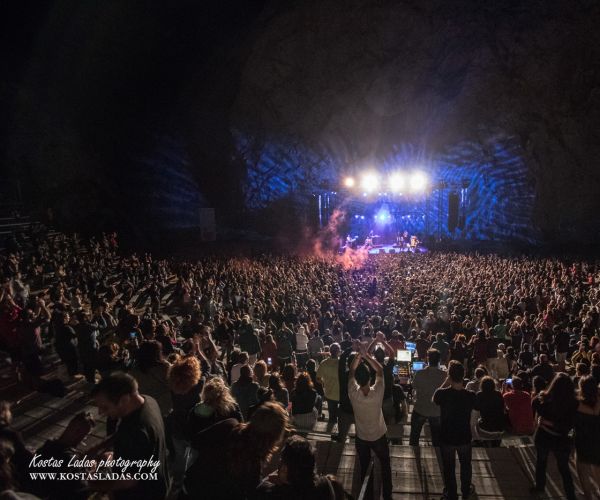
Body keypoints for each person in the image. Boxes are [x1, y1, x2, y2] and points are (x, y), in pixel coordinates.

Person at [183, 401, 290, 500]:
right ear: (274, 436)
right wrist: (268, 482)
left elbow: (196, 442)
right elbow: (251, 494)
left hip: (191, 487)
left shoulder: (229, 425)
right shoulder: (254, 463)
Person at [90, 372, 170, 500]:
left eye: (105, 407)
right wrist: (99, 448)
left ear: (125, 399)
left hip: (142, 494)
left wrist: (90, 484)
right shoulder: (148, 401)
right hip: (158, 483)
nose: (100, 413)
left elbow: (128, 480)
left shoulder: (135, 432)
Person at [348, 345, 392, 500]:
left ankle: (367, 496)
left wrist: (358, 356)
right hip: (378, 435)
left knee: (365, 469)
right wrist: (366, 356)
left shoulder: (352, 393)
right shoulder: (378, 392)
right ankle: (387, 495)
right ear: (369, 378)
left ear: (358, 381)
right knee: (385, 465)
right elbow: (380, 370)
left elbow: (351, 371)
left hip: (362, 437)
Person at [530, 373, 578, 500]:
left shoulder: (544, 399)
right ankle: (570, 494)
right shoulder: (573, 403)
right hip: (562, 438)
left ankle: (540, 486)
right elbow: (570, 423)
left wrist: (546, 421)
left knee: (541, 462)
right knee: (564, 468)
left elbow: (534, 403)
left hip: (544, 435)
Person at [256, 435, 349, 499]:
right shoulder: (326, 486)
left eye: (282, 460)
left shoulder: (269, 493)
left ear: (285, 468)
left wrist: (268, 480)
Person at [433, 360, 476, 500]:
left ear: (450, 376)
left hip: (447, 436)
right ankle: (465, 490)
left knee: (449, 467)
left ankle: (451, 493)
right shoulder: (470, 395)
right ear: (463, 376)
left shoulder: (442, 394)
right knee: (466, 466)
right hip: (464, 436)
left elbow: (434, 398)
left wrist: (447, 381)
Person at [409, 348, 445, 446]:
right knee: (436, 439)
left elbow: (414, 386)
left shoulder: (419, 373)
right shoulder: (445, 375)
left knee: (414, 436)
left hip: (420, 408)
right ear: (439, 360)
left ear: (428, 359)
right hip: (436, 411)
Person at [574, 376, 600, 500]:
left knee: (582, 468)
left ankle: (588, 495)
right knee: (597, 467)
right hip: (598, 439)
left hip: (583, 439)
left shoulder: (578, 404)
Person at [473, 376, 505, 446]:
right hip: (499, 428)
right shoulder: (498, 394)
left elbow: (475, 412)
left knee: (476, 422)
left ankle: (482, 442)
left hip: (485, 428)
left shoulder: (479, 395)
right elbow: (503, 408)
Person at [317, 343, 340, 425]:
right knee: (341, 416)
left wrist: (324, 383)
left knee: (332, 417)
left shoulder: (324, 363)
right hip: (341, 394)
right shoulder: (342, 363)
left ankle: (332, 433)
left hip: (329, 394)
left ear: (330, 351)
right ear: (338, 352)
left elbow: (318, 378)